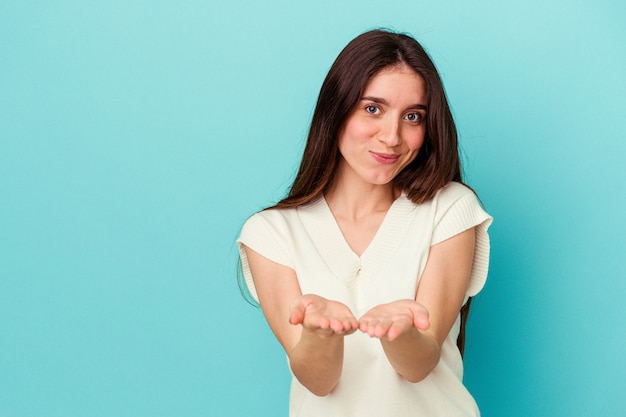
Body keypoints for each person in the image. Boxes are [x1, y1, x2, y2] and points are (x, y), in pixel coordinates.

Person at [237, 28, 492, 417]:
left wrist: (403, 331)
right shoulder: (271, 233)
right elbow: (318, 381)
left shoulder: (450, 209)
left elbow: (419, 365)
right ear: (336, 111)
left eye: (412, 116)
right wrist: (319, 334)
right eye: (372, 108)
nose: (392, 137)